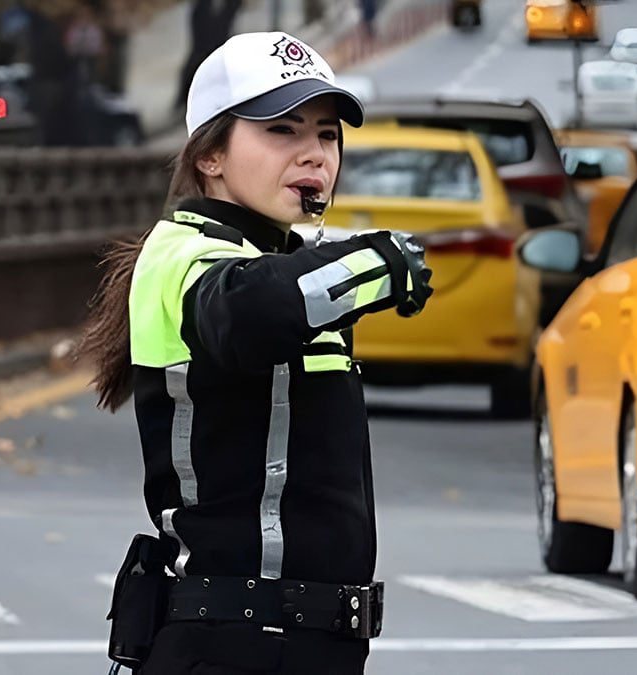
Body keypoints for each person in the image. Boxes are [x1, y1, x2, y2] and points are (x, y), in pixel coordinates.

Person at [82, 31, 433, 674]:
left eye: (327, 135)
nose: (314, 155)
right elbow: (248, 313)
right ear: (211, 154)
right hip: (236, 640)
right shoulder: (182, 252)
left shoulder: (282, 263)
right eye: (282, 131)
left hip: (303, 645)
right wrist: (377, 261)